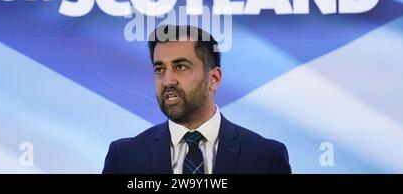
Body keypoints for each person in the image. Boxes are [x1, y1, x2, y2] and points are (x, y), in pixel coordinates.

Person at [103, 24, 291, 174]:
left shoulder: (266, 158)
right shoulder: (124, 158)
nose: (168, 80)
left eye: (181, 67)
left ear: (214, 78)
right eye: (159, 69)